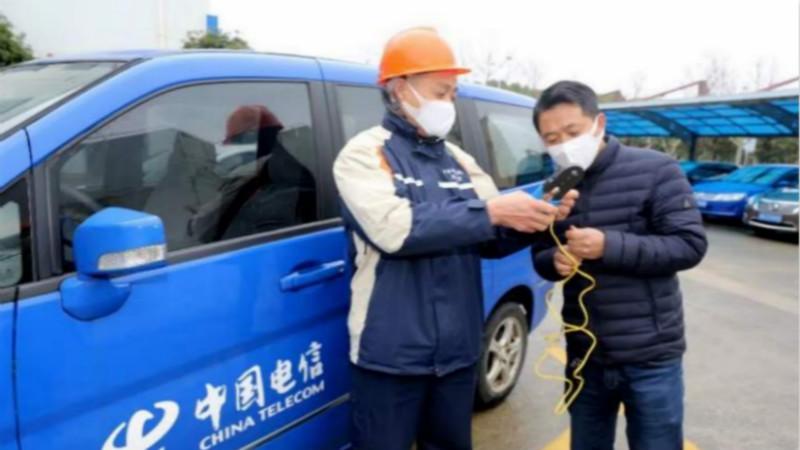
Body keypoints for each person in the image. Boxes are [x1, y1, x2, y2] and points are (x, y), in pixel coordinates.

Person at [333, 28, 577, 450]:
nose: (449, 103)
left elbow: (491, 240)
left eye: (452, 93)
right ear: (400, 89)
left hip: (458, 349)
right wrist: (492, 212)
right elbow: (395, 230)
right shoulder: (364, 153)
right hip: (391, 352)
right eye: (440, 92)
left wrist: (538, 219)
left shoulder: (459, 161)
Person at [530, 80, 708, 450]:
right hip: (585, 354)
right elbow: (541, 252)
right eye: (552, 138)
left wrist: (609, 246)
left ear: (599, 123)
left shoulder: (657, 169)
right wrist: (555, 261)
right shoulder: (556, 186)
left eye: (572, 132)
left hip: (650, 356)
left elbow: (689, 245)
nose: (563, 144)